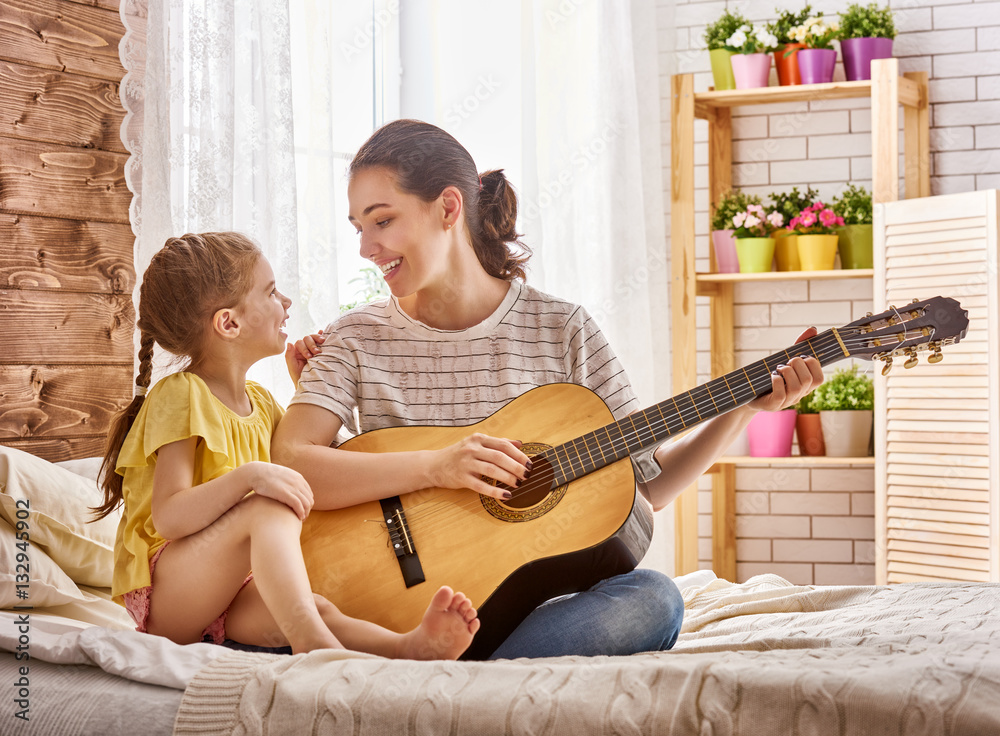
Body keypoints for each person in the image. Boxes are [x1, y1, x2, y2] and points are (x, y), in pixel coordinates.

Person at [271, 120, 824, 659]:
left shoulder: (563, 328)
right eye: (358, 227)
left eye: (382, 221)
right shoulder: (354, 336)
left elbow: (648, 488)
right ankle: (444, 661)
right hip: (403, 607)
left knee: (654, 598)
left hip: (523, 611)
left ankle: (467, 676)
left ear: (447, 208)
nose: (366, 247)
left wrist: (745, 410)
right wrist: (436, 467)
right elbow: (293, 461)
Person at [93, 231, 480, 659]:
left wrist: (305, 394)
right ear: (229, 323)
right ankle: (313, 649)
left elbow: (318, 465)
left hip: (227, 594)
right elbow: (170, 517)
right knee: (267, 504)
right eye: (272, 291)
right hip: (171, 595)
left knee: (314, 608)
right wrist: (249, 477)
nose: (287, 302)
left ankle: (406, 649)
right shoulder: (182, 394)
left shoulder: (260, 402)